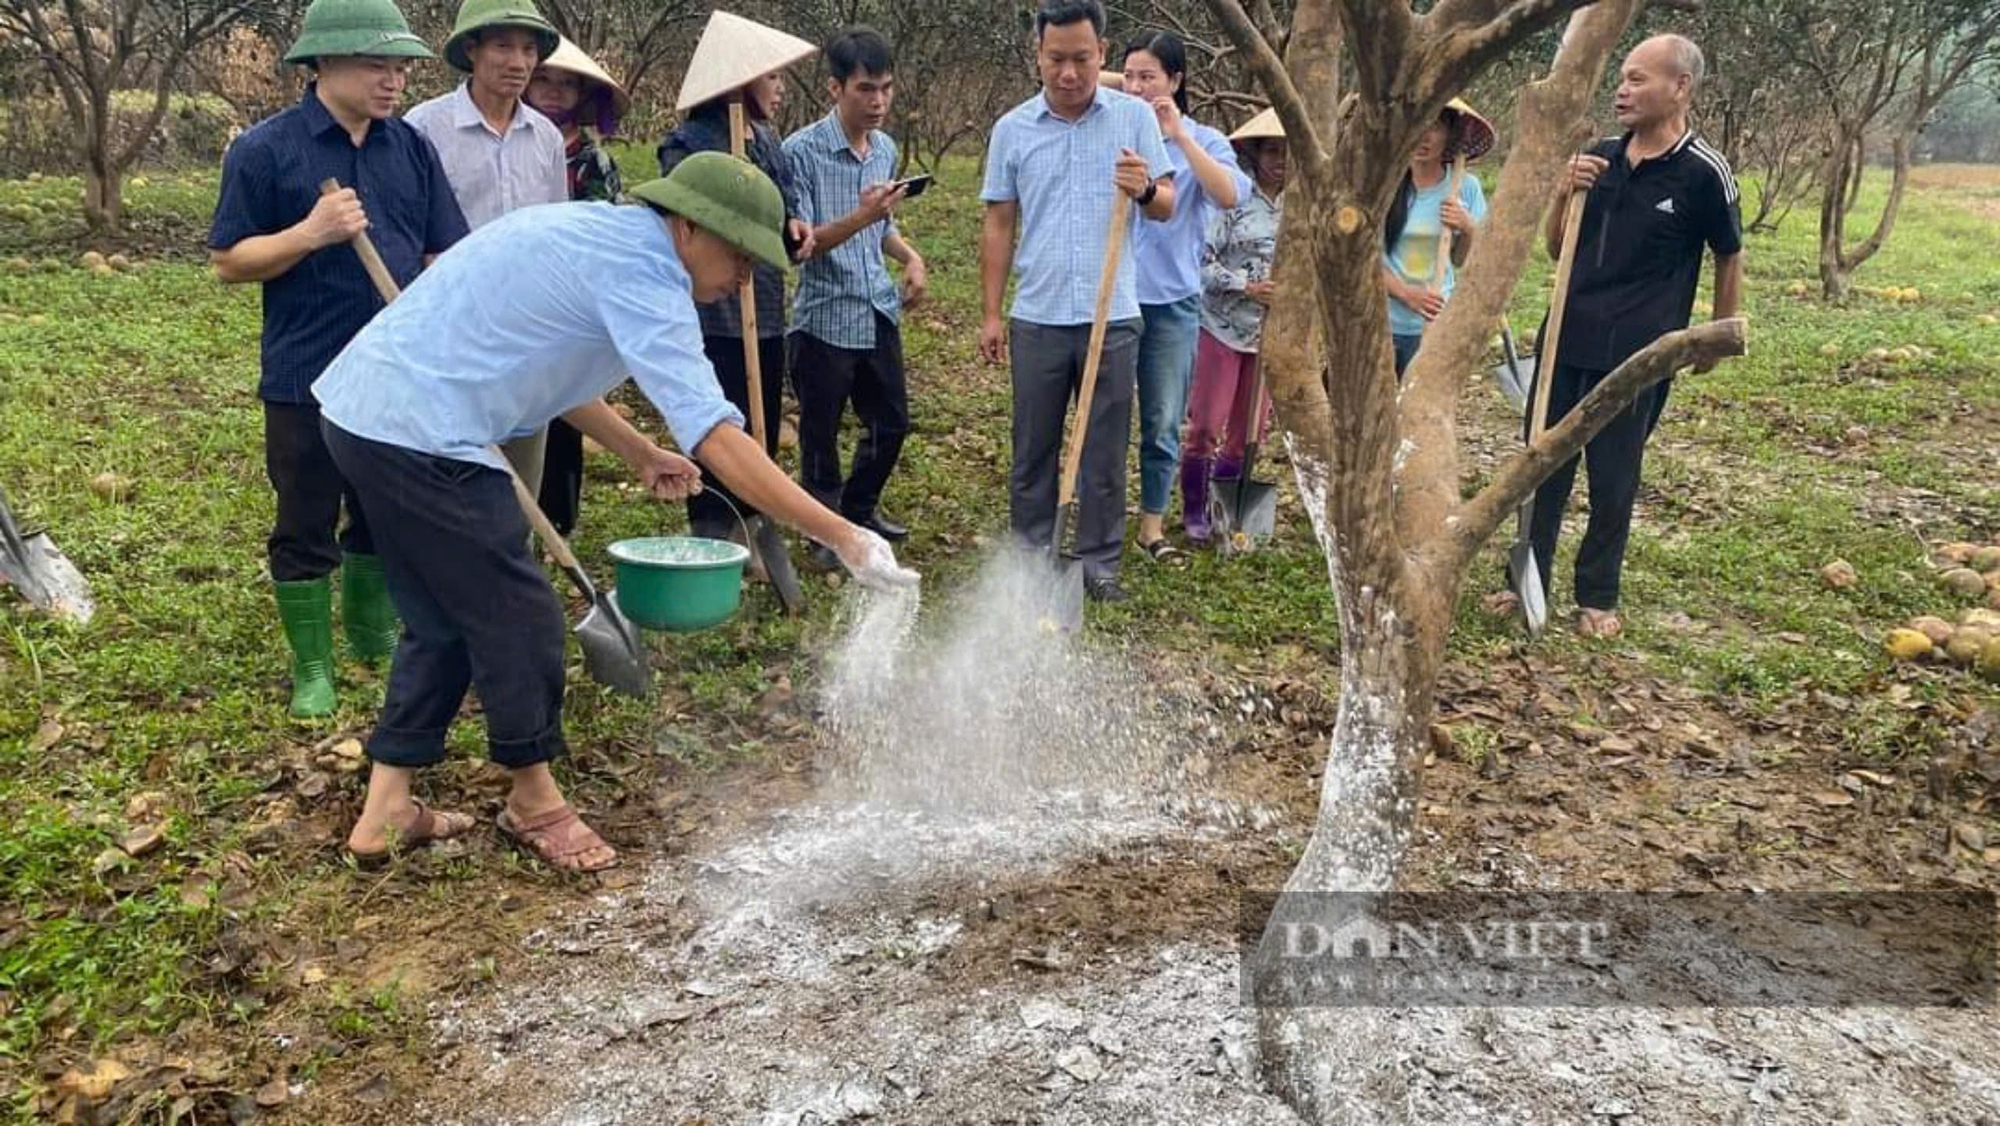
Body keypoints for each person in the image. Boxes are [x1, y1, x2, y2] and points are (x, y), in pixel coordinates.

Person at [311, 154, 918, 872]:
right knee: (518, 611)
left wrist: (636, 451)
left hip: (364, 413)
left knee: (445, 618)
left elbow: (548, 357)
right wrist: (843, 534)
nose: (742, 280)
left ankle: (385, 812)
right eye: (737, 255)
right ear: (687, 226)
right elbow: (719, 437)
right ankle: (534, 803)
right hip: (417, 428)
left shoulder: (605, 238)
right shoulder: (647, 274)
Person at [207, 0, 469, 720]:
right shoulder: (264, 150)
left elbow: (440, 247)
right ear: (323, 65)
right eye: (377, 66)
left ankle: (369, 632)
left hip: (392, 369)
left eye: (401, 68)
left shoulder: (410, 148)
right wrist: (310, 233)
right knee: (304, 515)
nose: (394, 82)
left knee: (383, 510)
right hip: (305, 370)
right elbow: (230, 261)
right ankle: (312, 664)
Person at [1500, 33, 1743, 639]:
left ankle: (1597, 597)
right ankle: (1523, 580)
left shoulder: (1703, 173)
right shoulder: (1600, 158)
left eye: (1638, 79)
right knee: (1542, 462)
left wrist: (1713, 335)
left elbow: (1729, 254)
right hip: (1566, 336)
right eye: (1623, 78)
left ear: (1679, 87)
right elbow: (1560, 247)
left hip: (1638, 353)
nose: (1623, 89)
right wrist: (1563, 192)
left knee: (1613, 475)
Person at [979, 0, 1174, 604]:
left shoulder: (1132, 120)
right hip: (1038, 314)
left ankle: (1098, 562)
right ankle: (1031, 560)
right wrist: (991, 312)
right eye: (1056, 59)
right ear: (1037, 54)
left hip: (1110, 315)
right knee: (1032, 446)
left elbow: (1166, 203)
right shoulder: (1012, 129)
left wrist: (1142, 188)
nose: (1068, 73)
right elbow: (998, 223)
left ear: (1103, 55)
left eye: (1081, 59)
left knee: (1105, 449)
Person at [659, 11, 818, 555]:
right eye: (769, 78)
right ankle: (711, 523)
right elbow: (691, 212)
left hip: (765, 302)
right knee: (714, 413)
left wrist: (794, 222)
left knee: (760, 413)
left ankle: (755, 521)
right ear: (738, 81)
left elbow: (786, 196)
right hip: (713, 309)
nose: (778, 88)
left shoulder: (767, 138)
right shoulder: (688, 141)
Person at [404, 0, 567, 494]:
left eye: (528, 49)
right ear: (471, 50)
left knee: (516, 480)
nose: (518, 63)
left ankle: (510, 565)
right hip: (445, 325)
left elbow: (553, 233)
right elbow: (406, 231)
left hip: (522, 328)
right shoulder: (423, 128)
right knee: (439, 469)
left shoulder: (546, 137)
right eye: (503, 47)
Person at [784, 27, 928, 569]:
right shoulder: (802, 153)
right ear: (834, 88)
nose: (878, 101)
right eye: (865, 89)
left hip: (876, 306)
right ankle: (824, 533)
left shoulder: (885, 149)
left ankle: (859, 509)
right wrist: (863, 216)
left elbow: (881, 230)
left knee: (891, 423)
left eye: (886, 88)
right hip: (824, 315)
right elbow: (804, 245)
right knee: (819, 436)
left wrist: (910, 257)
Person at [1116, 31, 1250, 566]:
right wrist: (1128, 92)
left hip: (1171, 303)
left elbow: (1230, 194)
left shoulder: (1203, 138)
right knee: (1105, 413)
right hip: (1115, 298)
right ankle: (1097, 512)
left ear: (1177, 80)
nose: (1136, 86)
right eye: (1129, 75)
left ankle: (1151, 525)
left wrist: (1177, 133)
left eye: (1150, 76)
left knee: (1164, 417)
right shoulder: (1116, 123)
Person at [524, 35, 629, 537]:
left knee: (567, 410)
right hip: (516, 292)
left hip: (569, 298)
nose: (553, 92)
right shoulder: (516, 145)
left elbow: (605, 230)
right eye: (543, 79)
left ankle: (557, 521)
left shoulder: (594, 161)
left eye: (566, 84)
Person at [1183, 108, 1284, 544]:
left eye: (1289, 153)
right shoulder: (1233, 198)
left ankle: (1227, 511)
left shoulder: (1301, 207)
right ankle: (1193, 510)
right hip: (1220, 327)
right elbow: (1199, 263)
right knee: (1206, 424)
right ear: (1256, 153)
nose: (1282, 161)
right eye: (1273, 151)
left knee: (1249, 433)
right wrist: (1246, 286)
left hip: (1267, 336)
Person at [1382, 99, 1493, 377]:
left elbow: (1464, 260)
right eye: (1418, 124)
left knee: (1415, 411)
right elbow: (1363, 260)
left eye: (1435, 126)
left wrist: (1467, 227)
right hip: (1381, 321)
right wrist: (1407, 295)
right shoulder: (1384, 185)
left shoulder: (1464, 187)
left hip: (1433, 324)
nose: (1424, 136)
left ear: (1450, 134)